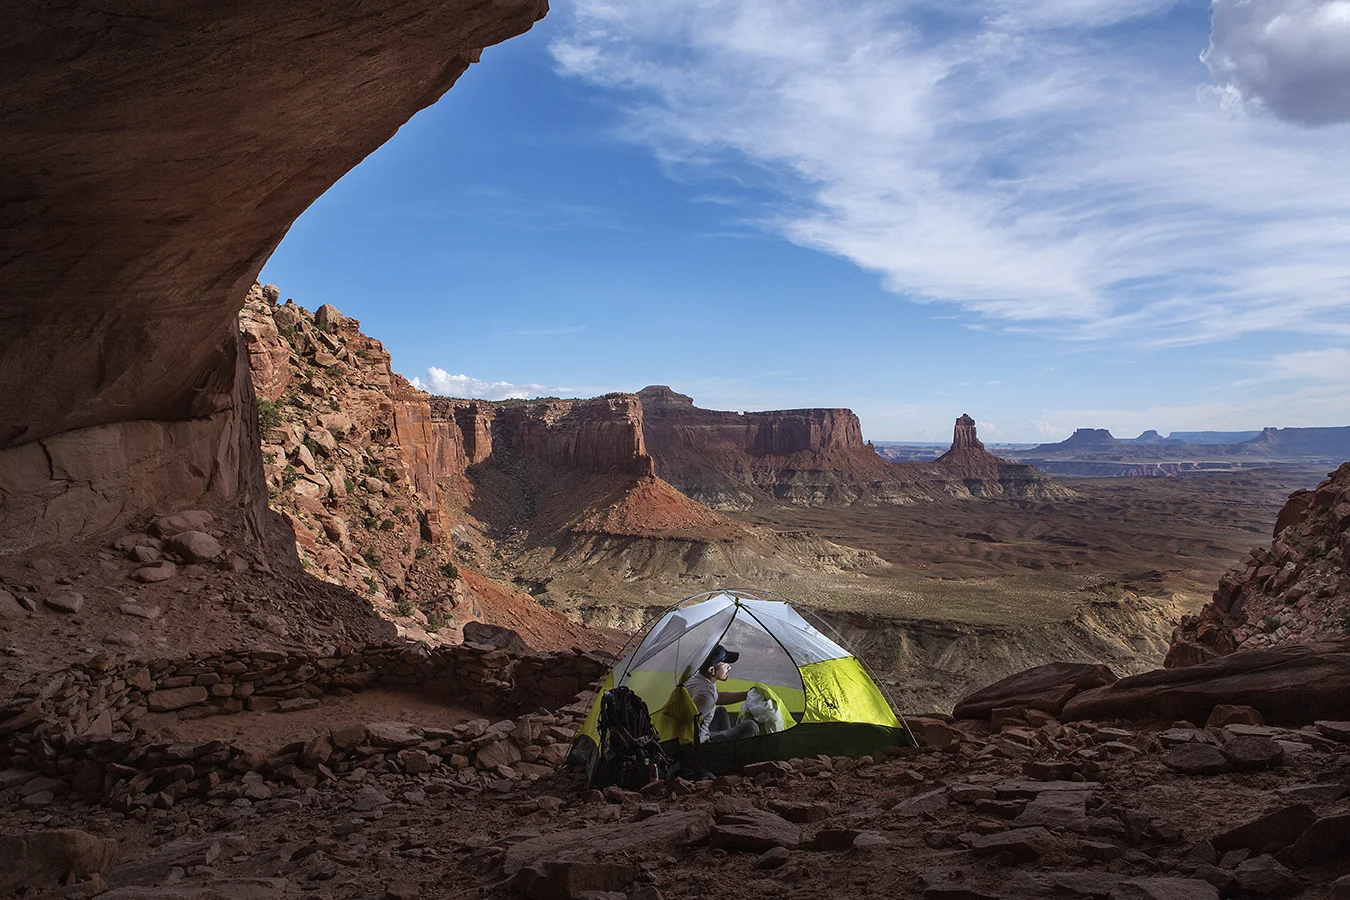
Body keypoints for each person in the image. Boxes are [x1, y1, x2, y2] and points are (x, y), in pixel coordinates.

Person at [684, 644, 759, 743]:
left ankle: (730, 744)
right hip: (701, 743)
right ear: (712, 670)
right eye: (725, 664)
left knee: (721, 711)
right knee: (750, 726)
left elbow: (716, 697)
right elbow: (687, 729)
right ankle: (729, 749)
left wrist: (747, 695)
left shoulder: (699, 677)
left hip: (702, 728)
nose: (729, 668)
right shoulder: (705, 695)